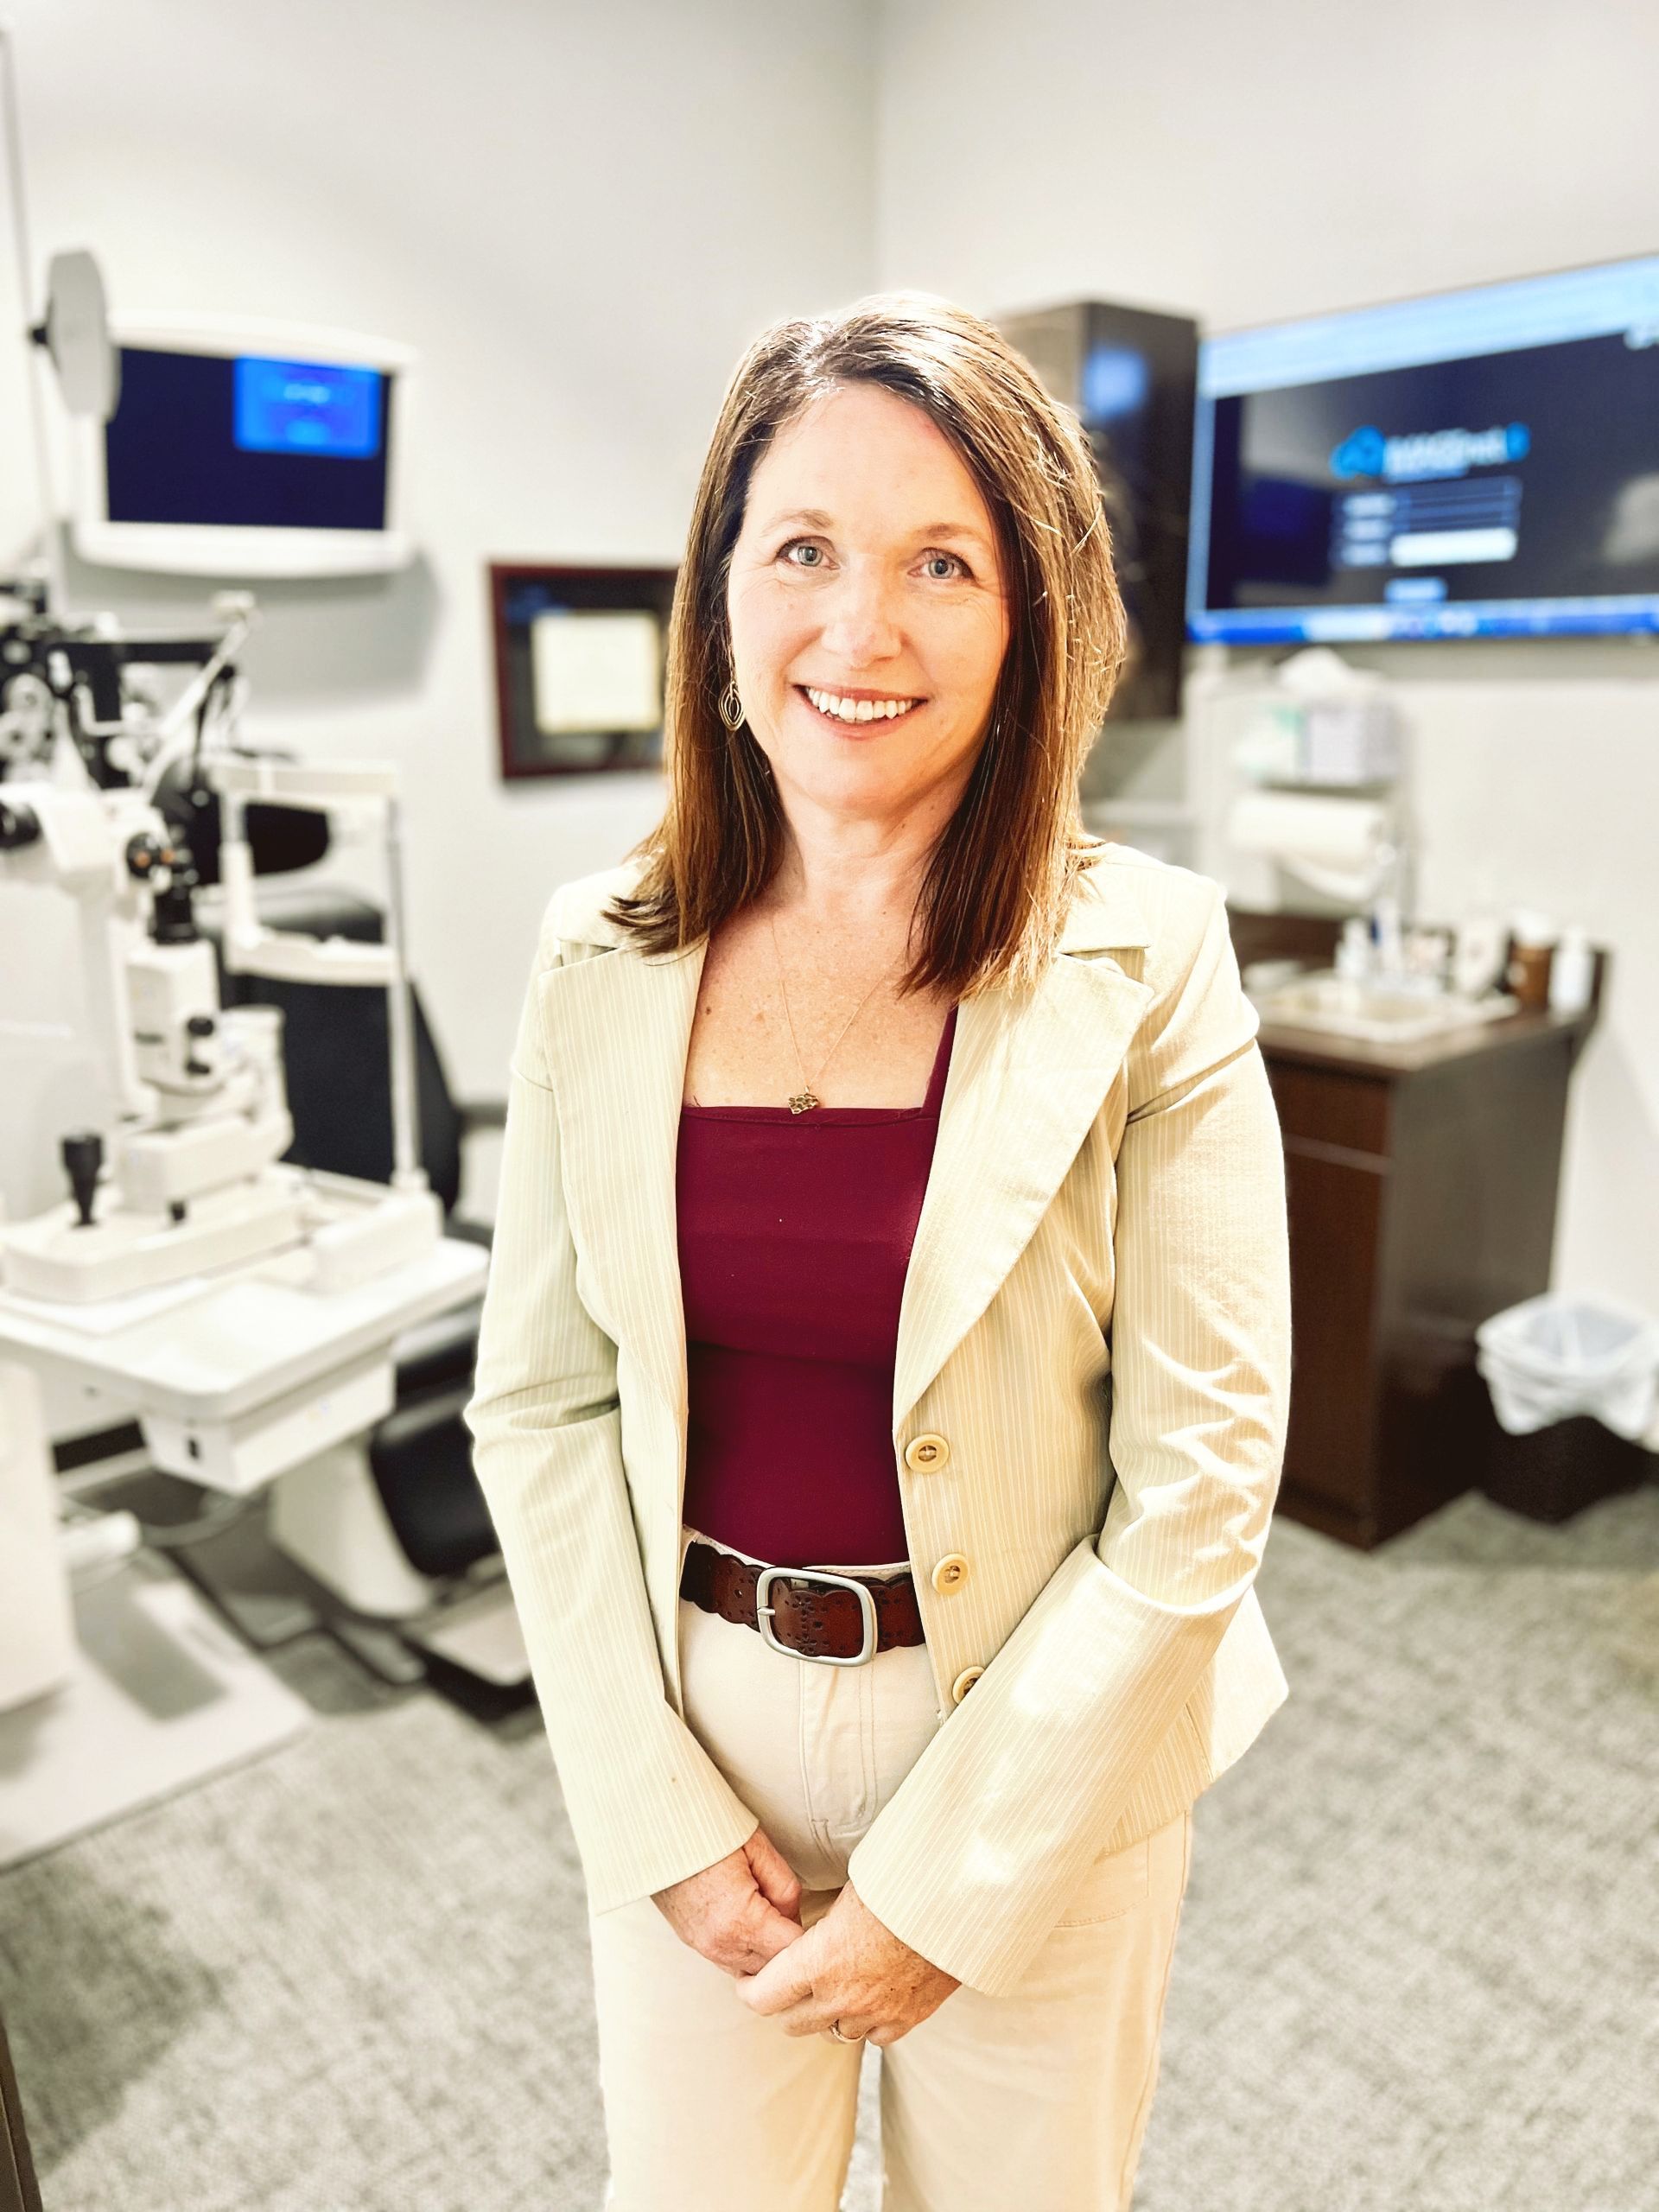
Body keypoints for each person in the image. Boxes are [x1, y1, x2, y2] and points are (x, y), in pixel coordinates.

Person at [463, 292, 1293, 2211]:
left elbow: (1201, 1480)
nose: (860, 628)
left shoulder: (1150, 956)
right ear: (719, 596)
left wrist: (958, 1873)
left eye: (943, 563)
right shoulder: (599, 951)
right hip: (702, 1726)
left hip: (1041, 1737)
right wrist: (648, 1804)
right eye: (804, 551)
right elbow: (539, 1404)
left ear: (1032, 617)